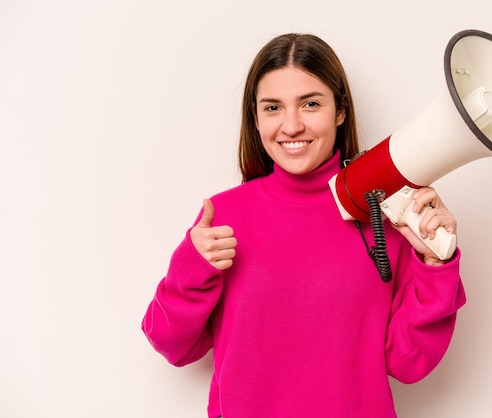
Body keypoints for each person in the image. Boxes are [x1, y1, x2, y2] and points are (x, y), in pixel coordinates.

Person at [142, 33, 466, 418]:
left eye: (310, 104)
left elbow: (408, 364)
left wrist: (435, 266)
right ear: (256, 117)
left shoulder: (386, 216)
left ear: (340, 110)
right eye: (273, 107)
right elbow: (173, 345)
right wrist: (190, 268)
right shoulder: (223, 216)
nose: (291, 126)